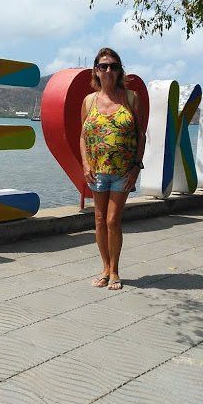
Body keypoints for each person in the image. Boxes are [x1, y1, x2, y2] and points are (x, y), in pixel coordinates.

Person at [80, 47, 145, 291]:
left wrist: (136, 167)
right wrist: (85, 163)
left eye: (113, 66)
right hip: (97, 171)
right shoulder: (89, 101)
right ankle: (105, 268)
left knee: (112, 220)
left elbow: (140, 134)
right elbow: (83, 135)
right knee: (98, 220)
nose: (108, 70)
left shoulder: (131, 98)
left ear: (119, 70)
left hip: (122, 172)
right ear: (96, 71)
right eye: (103, 66)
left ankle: (115, 270)